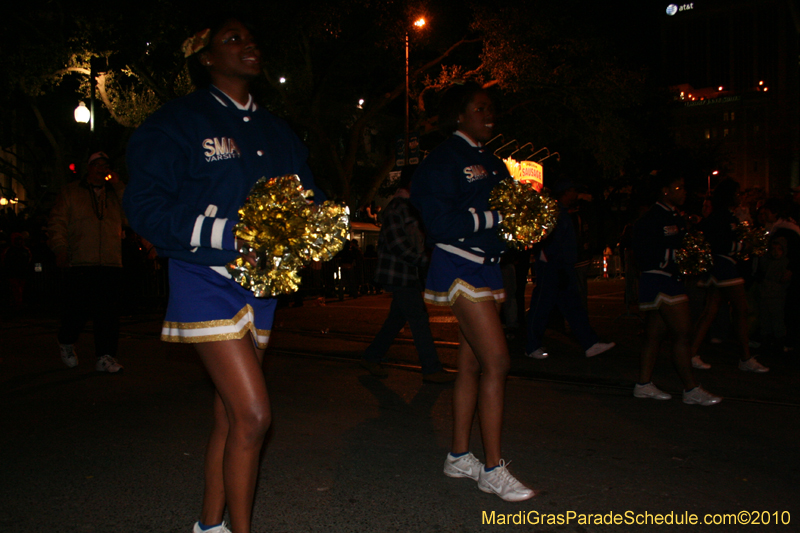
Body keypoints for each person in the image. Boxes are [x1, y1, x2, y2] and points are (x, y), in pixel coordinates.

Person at [124, 17, 325, 533]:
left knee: (230, 416)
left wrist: (321, 232)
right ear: (205, 57)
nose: (248, 43)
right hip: (203, 277)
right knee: (255, 416)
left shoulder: (279, 132)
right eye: (232, 39)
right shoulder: (176, 121)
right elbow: (145, 206)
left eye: (251, 36)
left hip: (263, 287)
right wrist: (227, 234)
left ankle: (207, 525)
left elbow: (308, 201)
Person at [411, 82, 534, 502]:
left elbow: (508, 217)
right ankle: (492, 468)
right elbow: (440, 223)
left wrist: (523, 226)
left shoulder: (495, 162)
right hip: (457, 264)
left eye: (491, 108)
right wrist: (494, 217)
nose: (489, 114)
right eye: (479, 108)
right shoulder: (441, 160)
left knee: (471, 365)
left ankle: (459, 455)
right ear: (459, 115)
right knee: (497, 361)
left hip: (490, 268)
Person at [631, 173, 721, 405]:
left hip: (670, 278)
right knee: (682, 332)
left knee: (655, 335)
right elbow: (642, 253)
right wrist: (672, 257)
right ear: (665, 191)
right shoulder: (652, 217)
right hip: (659, 279)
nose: (683, 191)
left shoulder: (676, 217)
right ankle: (691, 389)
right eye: (678, 187)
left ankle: (643, 384)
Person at [359, 173, 455, 384]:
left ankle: (371, 356)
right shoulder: (398, 207)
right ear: (410, 185)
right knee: (419, 319)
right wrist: (424, 260)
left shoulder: (406, 207)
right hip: (400, 274)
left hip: (405, 273)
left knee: (397, 319)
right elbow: (398, 245)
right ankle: (431, 369)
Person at [47, 151, 125, 373]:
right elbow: (57, 221)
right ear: (89, 168)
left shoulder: (113, 195)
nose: (102, 170)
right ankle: (66, 340)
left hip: (110, 261)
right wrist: (60, 248)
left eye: (105, 165)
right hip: (80, 261)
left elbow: (132, 215)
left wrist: (119, 187)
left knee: (108, 314)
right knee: (77, 311)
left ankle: (105, 355)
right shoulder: (71, 192)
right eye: (97, 165)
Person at [524, 179, 615, 359]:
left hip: (561, 267)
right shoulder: (554, 212)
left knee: (572, 307)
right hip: (554, 267)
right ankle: (531, 346)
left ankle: (590, 343)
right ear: (565, 192)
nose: (575, 194)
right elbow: (549, 242)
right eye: (572, 191)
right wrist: (555, 264)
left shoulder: (561, 212)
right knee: (543, 305)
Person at [690, 178, 769, 372]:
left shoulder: (727, 215)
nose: (739, 196)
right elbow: (718, 244)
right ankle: (745, 357)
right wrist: (743, 246)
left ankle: (690, 353)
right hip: (724, 268)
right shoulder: (721, 217)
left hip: (723, 268)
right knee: (741, 310)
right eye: (737, 193)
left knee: (711, 311)